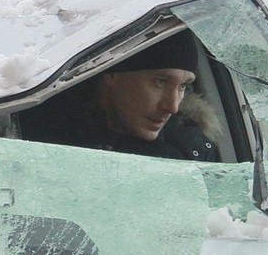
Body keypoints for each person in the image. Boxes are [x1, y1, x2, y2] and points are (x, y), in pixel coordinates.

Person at [19, 30, 220, 162]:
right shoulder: (35, 142)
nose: (173, 106)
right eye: (160, 81)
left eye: (183, 86)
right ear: (112, 73)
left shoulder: (192, 153)